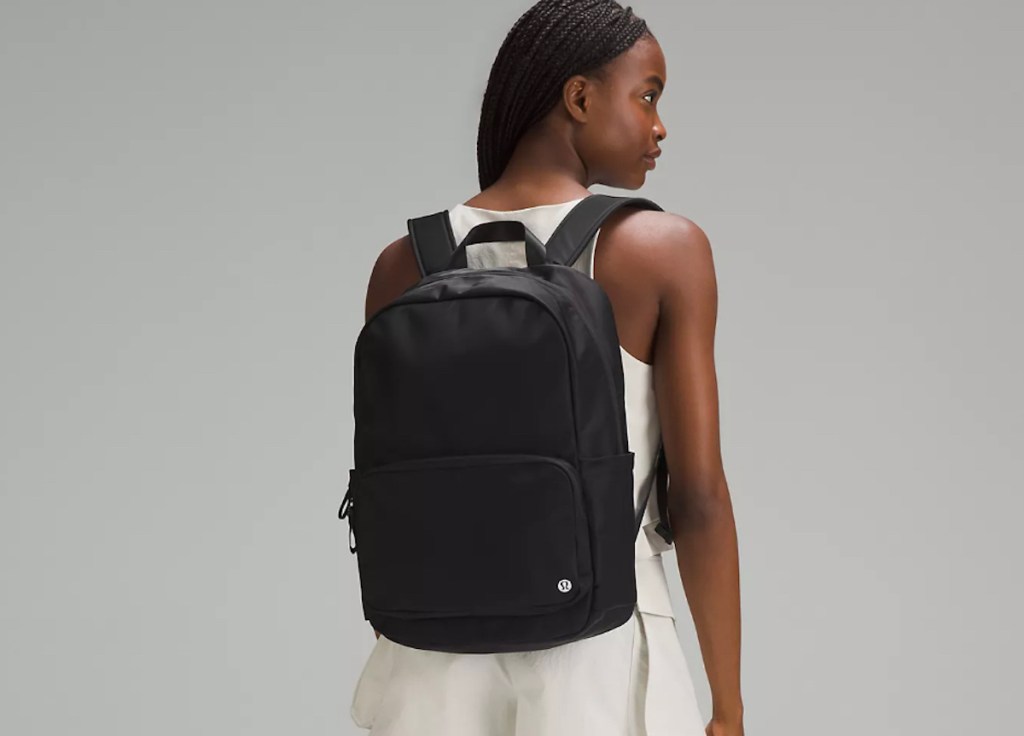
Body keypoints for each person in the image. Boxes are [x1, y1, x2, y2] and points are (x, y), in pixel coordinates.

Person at [350, 1, 744, 734]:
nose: (660, 126)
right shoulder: (661, 250)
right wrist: (729, 707)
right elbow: (698, 498)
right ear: (580, 97)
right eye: (648, 94)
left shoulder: (404, 263)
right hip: (596, 654)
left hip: (428, 661)